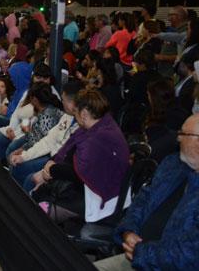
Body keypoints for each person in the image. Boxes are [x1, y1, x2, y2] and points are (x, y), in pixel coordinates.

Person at [95, 113, 199, 271]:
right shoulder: (174, 164)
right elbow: (143, 198)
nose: (178, 138)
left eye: (183, 133)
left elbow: (196, 256)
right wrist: (128, 230)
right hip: (139, 255)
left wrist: (141, 252)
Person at [32, 89, 129, 224]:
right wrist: (50, 166)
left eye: (76, 113)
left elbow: (80, 175)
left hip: (101, 200)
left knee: (39, 208)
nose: (75, 117)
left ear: (83, 114)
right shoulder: (102, 125)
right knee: (39, 190)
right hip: (90, 190)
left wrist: (51, 170)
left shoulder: (98, 139)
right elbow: (68, 153)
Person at [10, 79, 82, 194]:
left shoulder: (82, 126)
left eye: (63, 100)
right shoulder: (67, 117)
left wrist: (47, 170)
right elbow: (48, 140)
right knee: (18, 161)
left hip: (60, 164)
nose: (61, 102)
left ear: (72, 103)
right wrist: (24, 156)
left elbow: (67, 160)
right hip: (52, 158)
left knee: (26, 176)